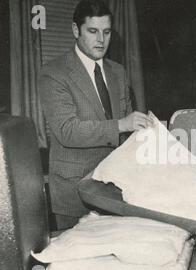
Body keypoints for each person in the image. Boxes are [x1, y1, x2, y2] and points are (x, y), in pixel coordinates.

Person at [39, 0, 153, 230]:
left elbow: (127, 125)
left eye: (106, 32)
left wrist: (148, 131)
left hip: (116, 189)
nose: (101, 40)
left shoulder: (118, 72)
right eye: (92, 31)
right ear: (75, 30)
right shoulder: (54, 73)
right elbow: (67, 131)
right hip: (75, 194)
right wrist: (122, 124)